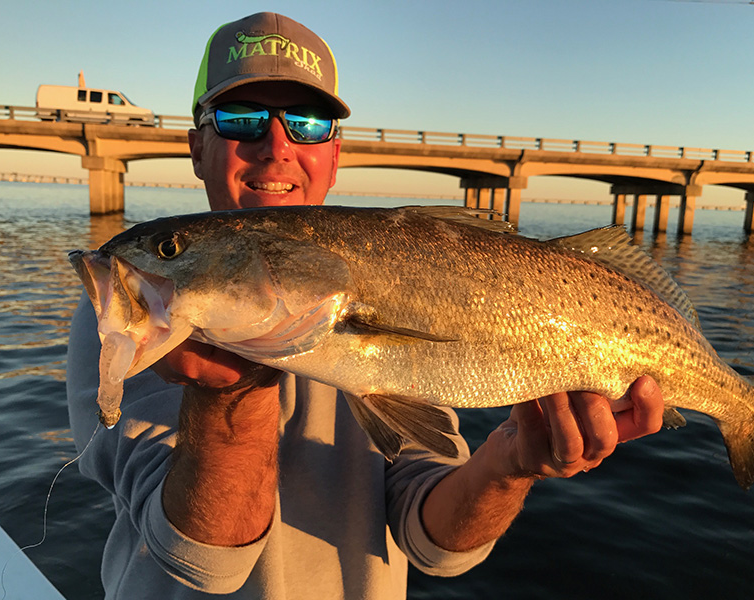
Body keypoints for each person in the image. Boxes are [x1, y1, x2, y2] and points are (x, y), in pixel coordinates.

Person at [66, 12, 664, 599]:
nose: (276, 145)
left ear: (334, 152)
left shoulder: (408, 272)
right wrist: (229, 392)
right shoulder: (138, 316)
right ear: (198, 149)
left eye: (306, 121)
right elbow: (203, 563)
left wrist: (512, 461)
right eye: (240, 118)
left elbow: (433, 543)